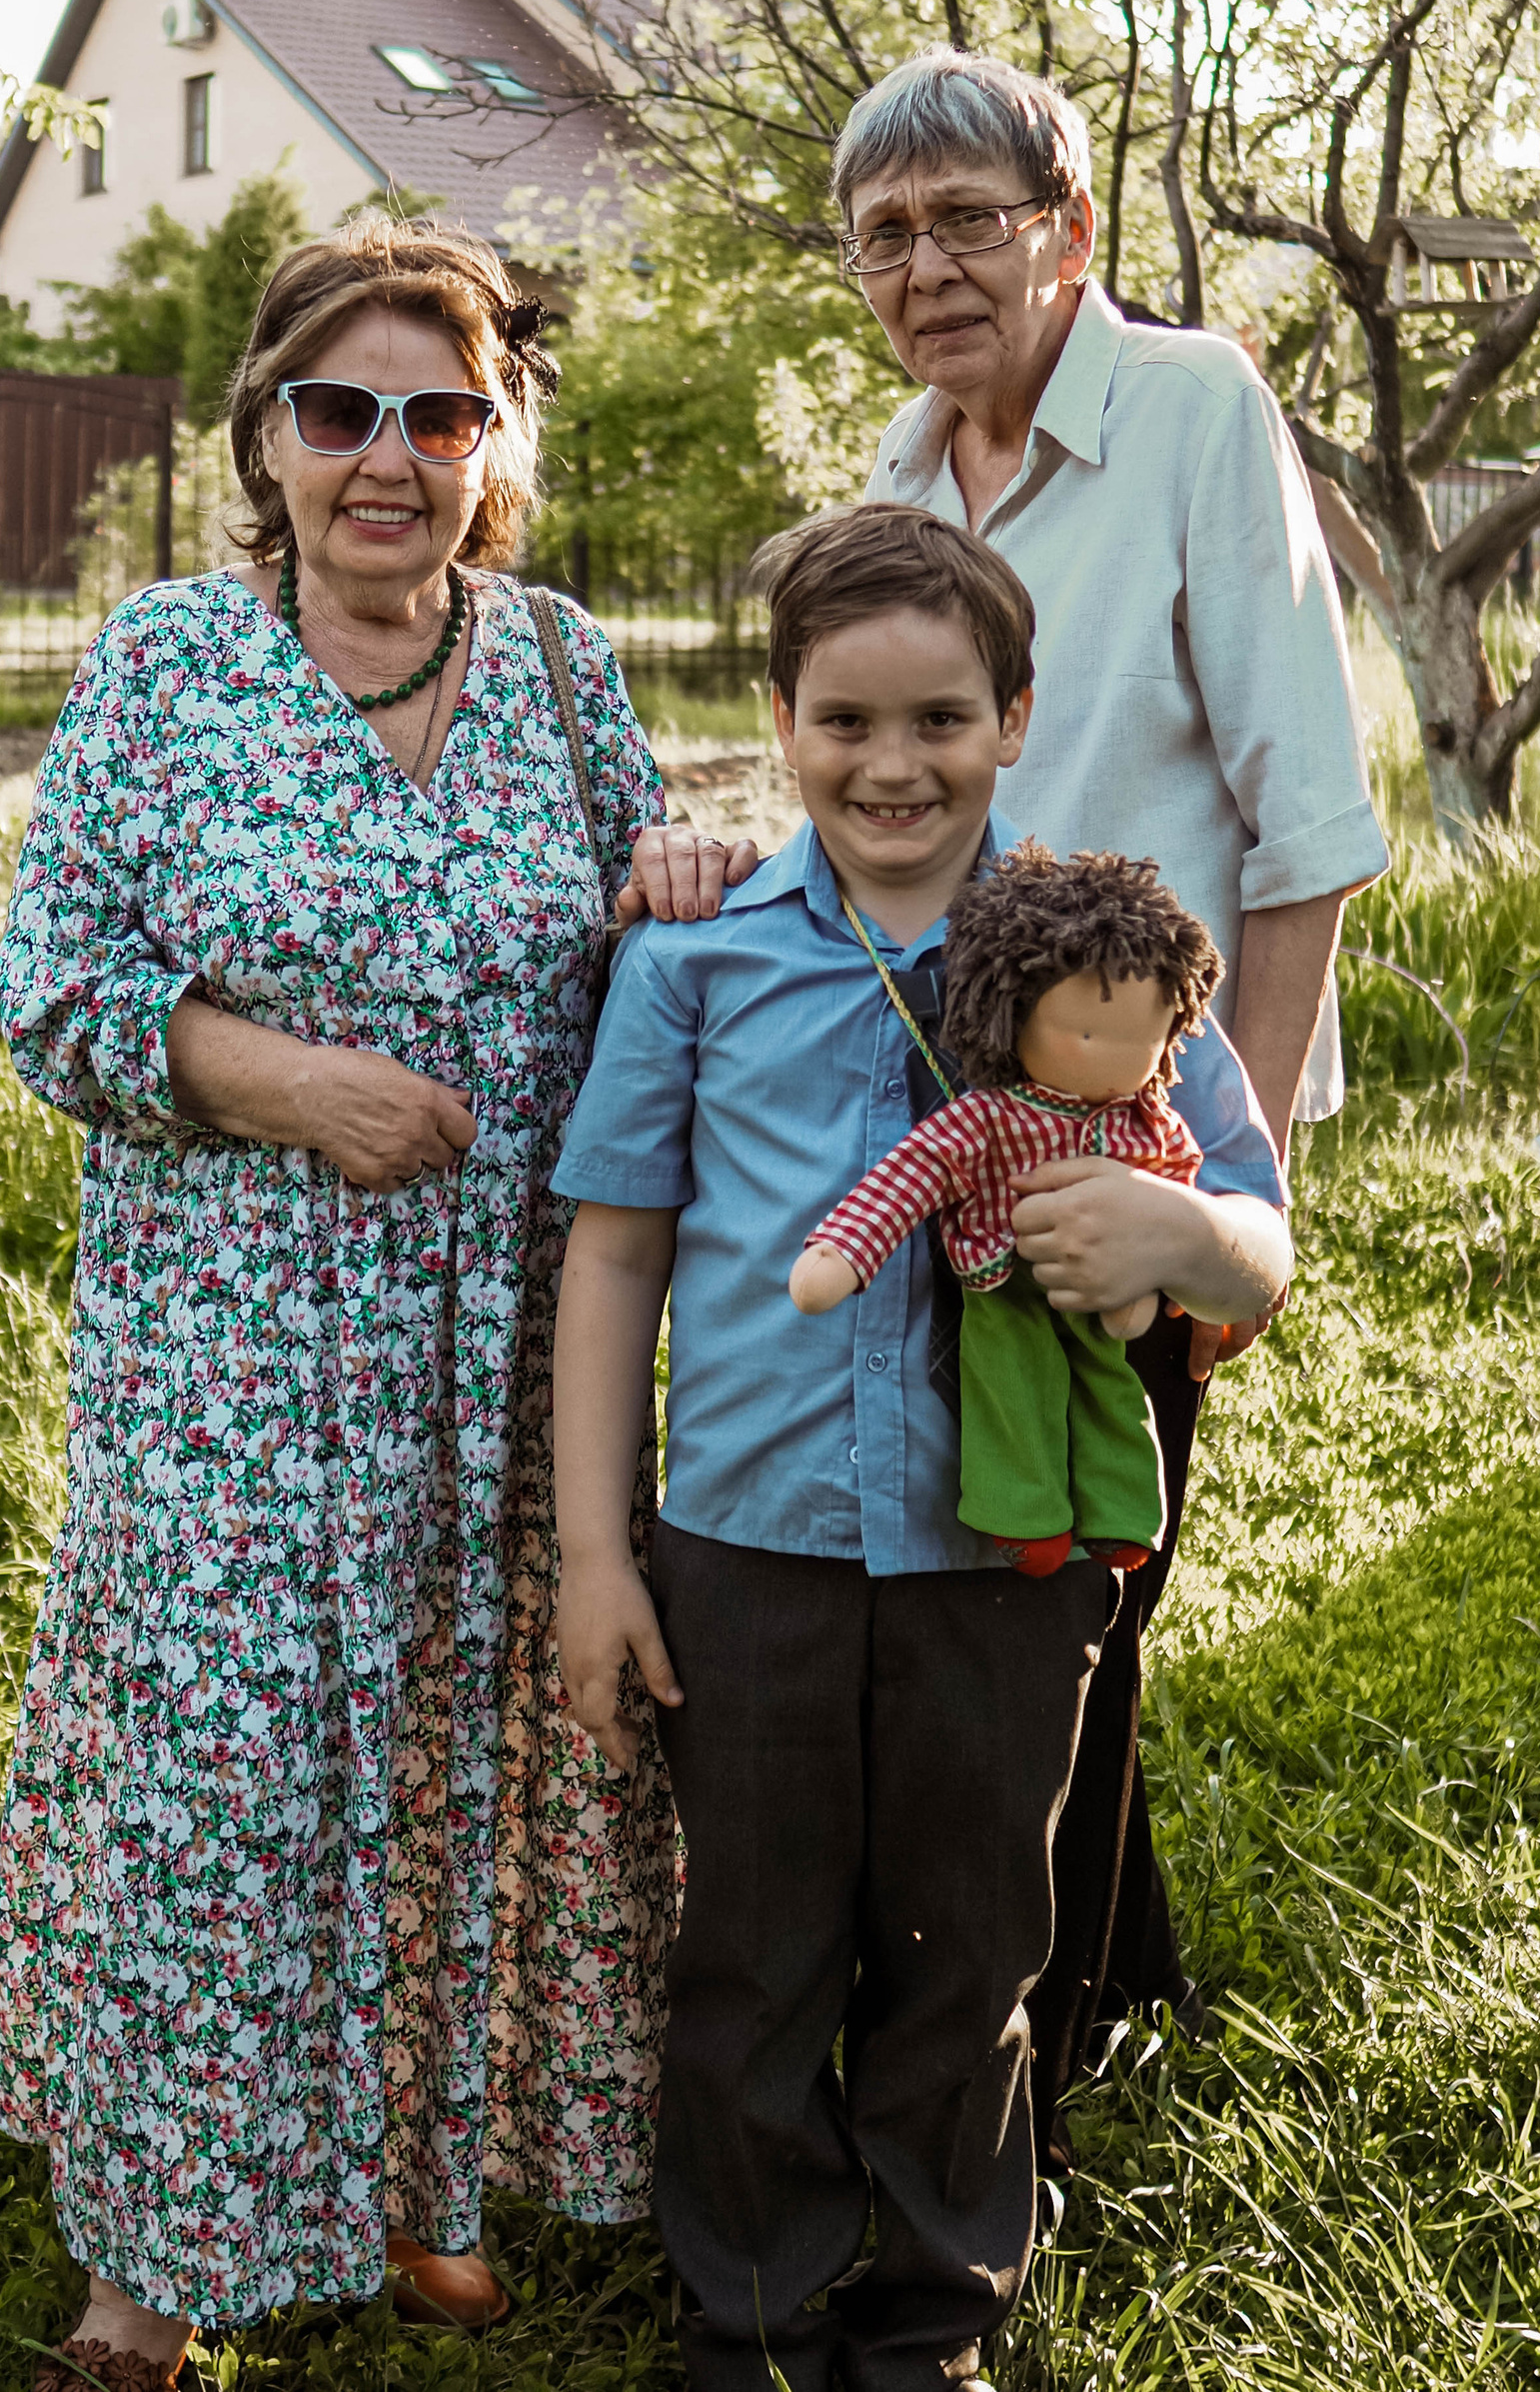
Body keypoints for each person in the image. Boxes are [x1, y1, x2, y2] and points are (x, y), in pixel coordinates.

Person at [0, 215, 746, 2392]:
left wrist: (675, 872)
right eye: (343, 411)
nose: (389, 454)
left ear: (497, 436)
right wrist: (284, 1081)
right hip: (233, 1349)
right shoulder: (158, 662)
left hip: (514, 1348)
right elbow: (49, 988)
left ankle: (421, 2186)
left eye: (442, 409)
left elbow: (637, 927)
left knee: (476, 1747)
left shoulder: (558, 666)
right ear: (269, 432)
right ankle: (149, 2269)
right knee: (232, 1770)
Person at [551, 505, 1291, 2392]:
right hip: (749, 1535)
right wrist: (597, 1553)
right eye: (848, 720)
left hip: (1007, 1557)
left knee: (975, 1945)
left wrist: (1188, 1242)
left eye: (943, 718)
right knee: (753, 1947)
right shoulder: (693, 963)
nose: (896, 765)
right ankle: (751, 2304)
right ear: (781, 718)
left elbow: (1264, 1234)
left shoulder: (1118, 958)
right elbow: (619, 1248)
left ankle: (936, 2308)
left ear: (1018, 716)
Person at [838, 48, 1387, 2139]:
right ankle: (1115, 1968)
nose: (928, 264)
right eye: (885, 233)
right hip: (966, 1141)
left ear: (1068, 227)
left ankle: (1026, 2067)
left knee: (1060, 1588)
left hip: (1143, 1129)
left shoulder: (1184, 410)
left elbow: (1305, 822)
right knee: (1038, 1569)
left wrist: (1225, 1187)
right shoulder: (897, 470)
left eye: (970, 214)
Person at [788, 845, 1227, 1576]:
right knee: (1010, 1386)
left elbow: (1181, 1182)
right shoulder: (987, 1117)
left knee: (1110, 1384)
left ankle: (1120, 1511)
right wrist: (844, 1250)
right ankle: (1024, 1517)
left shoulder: (1145, 1118)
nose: (1111, 1055)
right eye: (1085, 1033)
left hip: (1107, 1282)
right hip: (1001, 1275)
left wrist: (1171, 1255)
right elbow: (908, 1178)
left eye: (1138, 1038)